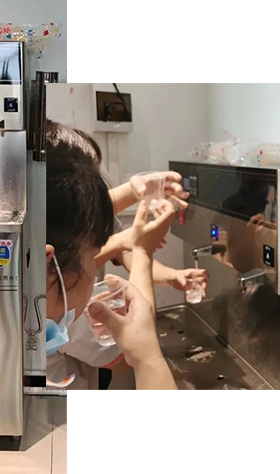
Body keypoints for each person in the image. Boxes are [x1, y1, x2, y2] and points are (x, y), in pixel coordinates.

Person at [46, 128, 176, 390]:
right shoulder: (61, 307)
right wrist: (141, 250)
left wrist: (169, 273)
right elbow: (135, 339)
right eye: (93, 255)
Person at [45, 120, 209, 297]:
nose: (97, 186)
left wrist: (172, 276)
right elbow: (68, 266)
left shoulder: (98, 213)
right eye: (89, 177)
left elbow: (130, 255)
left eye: (97, 174)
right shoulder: (50, 224)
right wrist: (127, 242)